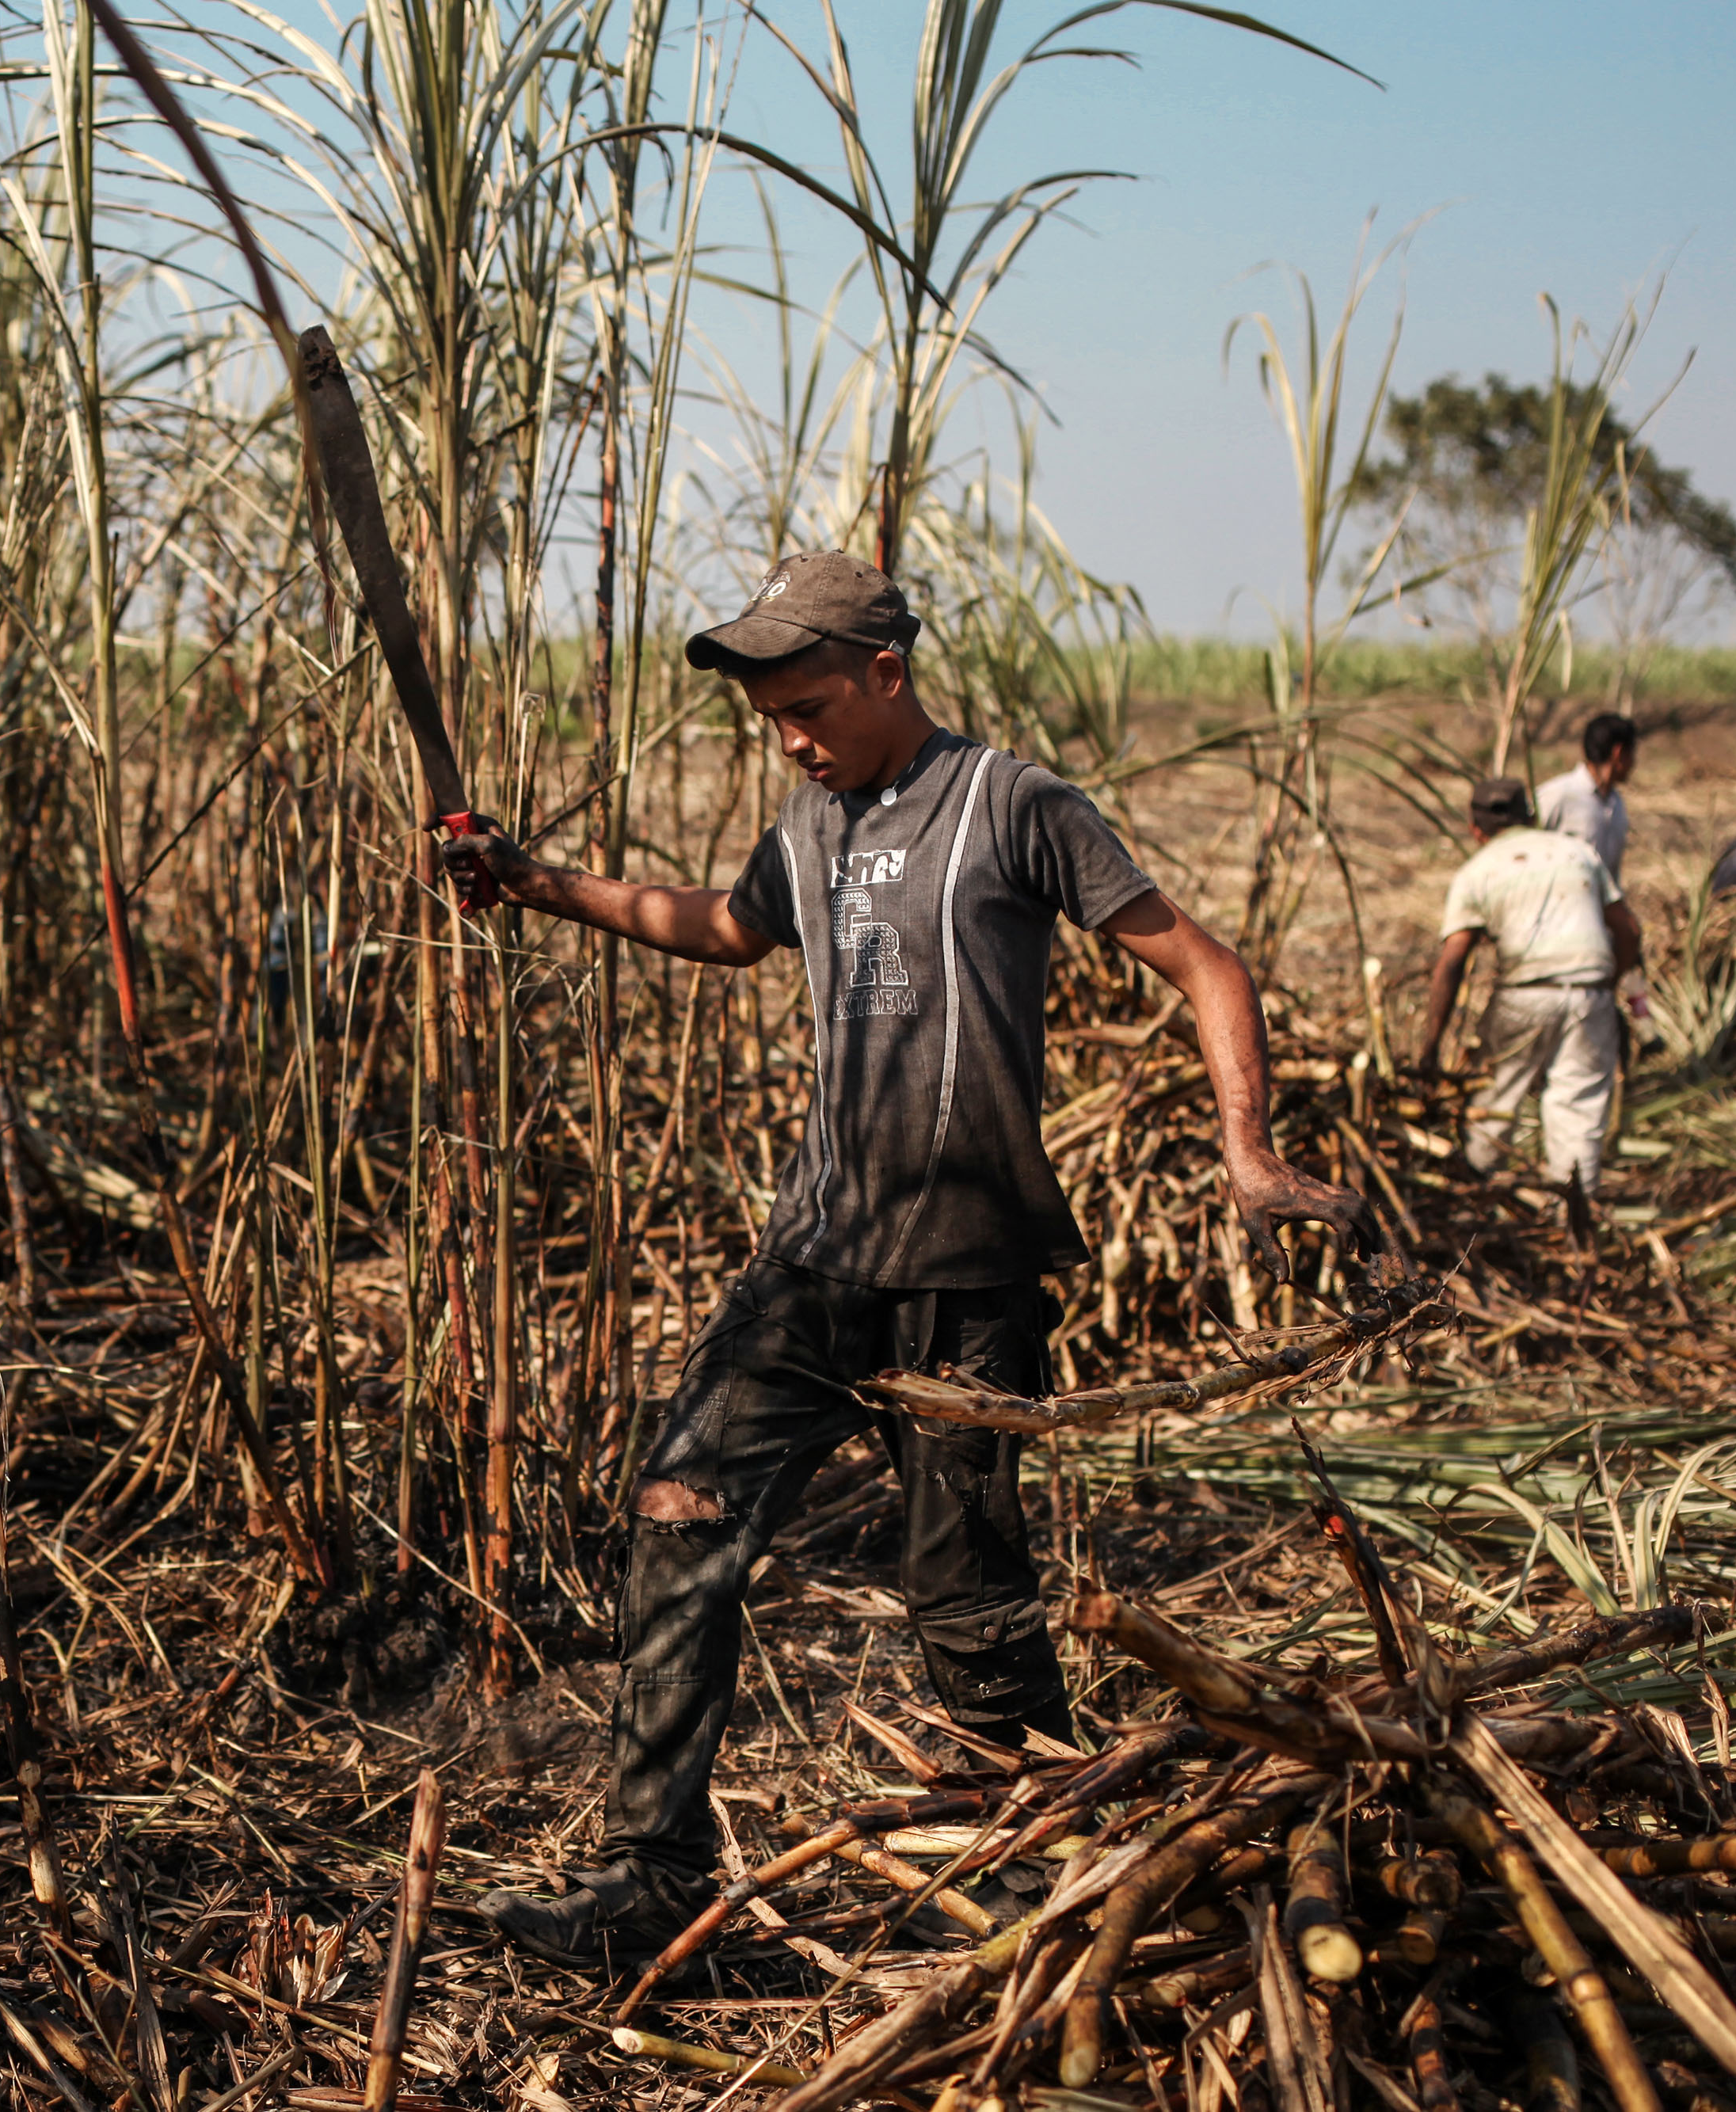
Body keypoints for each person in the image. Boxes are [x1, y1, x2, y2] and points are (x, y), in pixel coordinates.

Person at [438, 551, 1385, 1968]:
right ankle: (654, 1876)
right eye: (772, 721)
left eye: (810, 709)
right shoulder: (808, 821)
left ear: (888, 674)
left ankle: (1031, 1869)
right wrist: (532, 880)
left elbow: (1207, 964)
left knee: (969, 1596)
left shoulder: (1016, 807)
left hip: (966, 1273)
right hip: (815, 1260)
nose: (794, 740)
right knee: (679, 1511)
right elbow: (722, 928)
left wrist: (1247, 1154)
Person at [1415, 778, 1643, 1203]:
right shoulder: (1576, 852)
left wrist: (1430, 1046)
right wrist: (1607, 986)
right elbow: (1628, 930)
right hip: (1590, 993)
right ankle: (1573, 1224)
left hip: (1524, 996)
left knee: (1494, 1102)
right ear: (1532, 816)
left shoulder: (1477, 871)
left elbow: (1453, 961)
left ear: (1474, 828)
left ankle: (1474, 1205)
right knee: (1577, 1113)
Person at [1536, 712, 1638, 881]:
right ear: (1618, 753)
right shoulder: (1557, 796)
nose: (1634, 763)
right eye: (1632, 754)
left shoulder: (1616, 804)